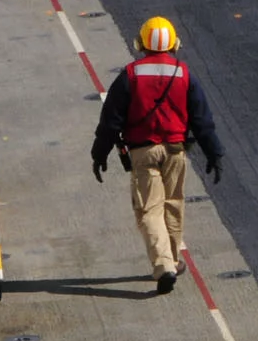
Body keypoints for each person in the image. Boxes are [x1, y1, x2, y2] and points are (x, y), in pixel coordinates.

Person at [91, 17, 223, 294]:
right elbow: (202, 120)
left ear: (141, 44)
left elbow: (111, 121)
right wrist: (214, 154)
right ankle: (173, 259)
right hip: (176, 151)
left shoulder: (130, 75)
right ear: (174, 44)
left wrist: (99, 154)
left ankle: (164, 266)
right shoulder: (184, 74)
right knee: (173, 204)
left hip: (143, 152)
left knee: (150, 209)